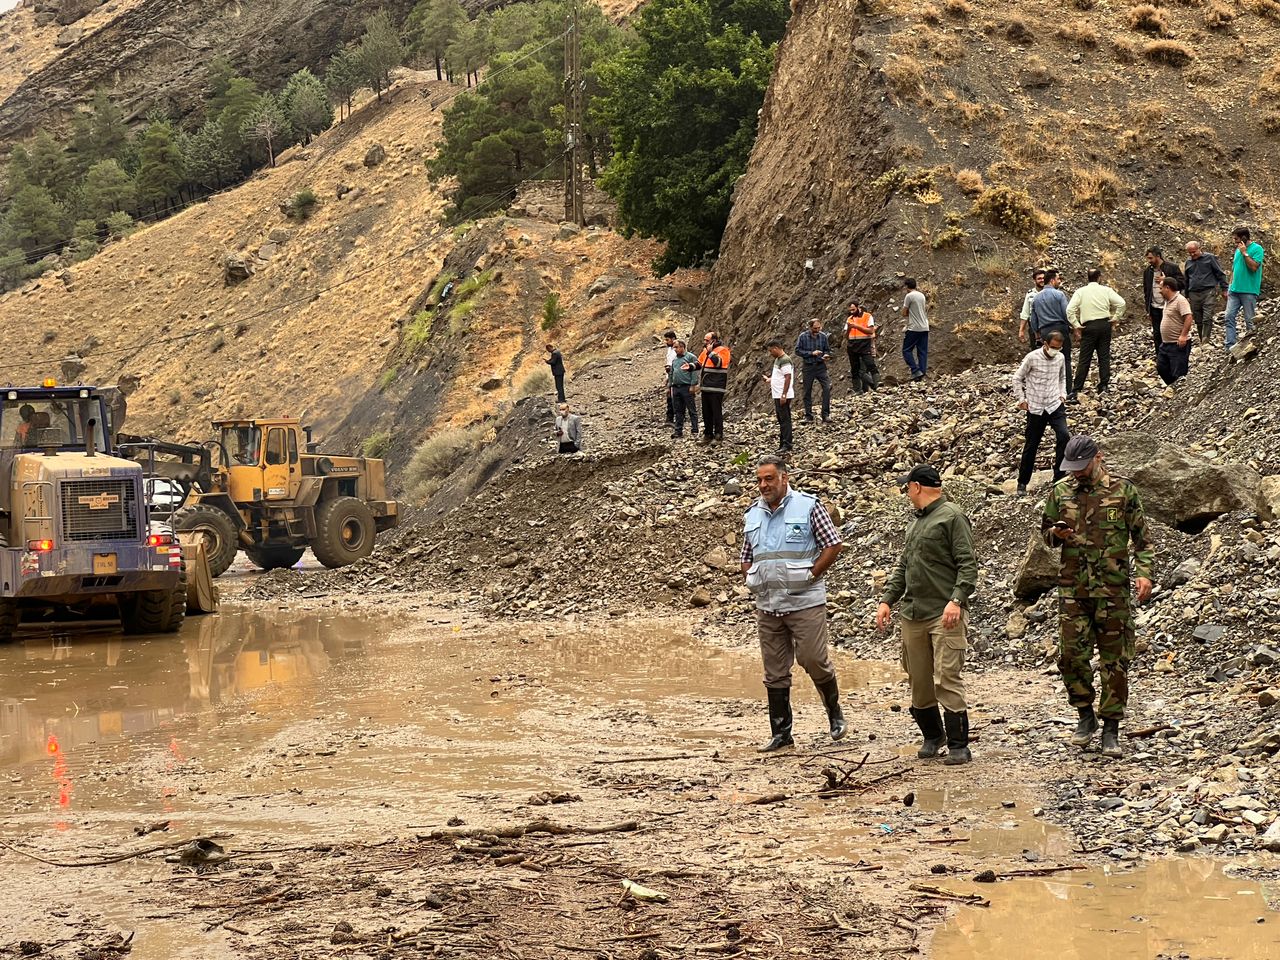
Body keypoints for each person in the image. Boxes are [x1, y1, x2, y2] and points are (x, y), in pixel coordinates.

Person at [1042, 435, 1153, 758]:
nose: (1076, 473)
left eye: (1081, 467)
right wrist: (1056, 534)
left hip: (1113, 591)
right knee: (1070, 657)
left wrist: (1144, 572)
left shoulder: (1123, 490)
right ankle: (1084, 715)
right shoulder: (1060, 492)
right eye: (1071, 468)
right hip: (1073, 591)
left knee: (1115, 662)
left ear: (1098, 458)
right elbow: (1046, 535)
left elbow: (1142, 539)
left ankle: (1111, 728)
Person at [740, 455, 846, 752]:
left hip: (805, 601)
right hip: (767, 604)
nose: (763, 485)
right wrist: (751, 578)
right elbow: (746, 555)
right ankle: (781, 733)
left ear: (784, 478)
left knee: (813, 660)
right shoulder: (752, 514)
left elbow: (833, 544)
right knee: (774, 670)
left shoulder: (808, 506)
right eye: (759, 480)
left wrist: (811, 575)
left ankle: (834, 714)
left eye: (769, 478)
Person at [875, 464, 978, 765]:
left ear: (917, 486)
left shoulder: (953, 517)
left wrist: (957, 600)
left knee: (946, 677)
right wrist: (887, 600)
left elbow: (968, 565)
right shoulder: (915, 524)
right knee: (918, 681)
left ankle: (959, 745)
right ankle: (933, 736)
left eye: (907, 487)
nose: (906, 493)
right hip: (914, 613)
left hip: (943, 613)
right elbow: (903, 567)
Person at [1012, 329, 1069, 495]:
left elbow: (1062, 378)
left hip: (1054, 404)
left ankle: (1059, 477)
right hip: (1036, 408)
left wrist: (1062, 394)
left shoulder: (1060, 357)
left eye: (1058, 348)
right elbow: (1017, 378)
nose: (1055, 351)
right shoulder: (1032, 357)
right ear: (1045, 344)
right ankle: (1022, 483)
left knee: (1064, 436)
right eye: (1052, 347)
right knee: (1031, 445)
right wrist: (1021, 400)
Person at [1067, 268, 1125, 395]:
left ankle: (1077, 389)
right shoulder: (1106, 290)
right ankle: (1103, 385)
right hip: (1104, 325)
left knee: (1084, 358)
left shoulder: (1080, 292)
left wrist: (1076, 325)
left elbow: (1070, 310)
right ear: (1099, 277)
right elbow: (1121, 303)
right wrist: (1115, 318)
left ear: (1087, 277)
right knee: (1103, 356)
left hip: (1088, 326)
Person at [1029, 269, 1074, 398]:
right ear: (1053, 280)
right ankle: (1067, 390)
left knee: (1048, 360)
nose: (1059, 282)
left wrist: (1037, 334)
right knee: (1065, 359)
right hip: (1060, 328)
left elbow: (1033, 320)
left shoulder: (1036, 298)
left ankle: (1050, 391)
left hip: (1045, 332)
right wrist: (1072, 327)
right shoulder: (1059, 295)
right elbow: (1066, 314)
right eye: (1058, 279)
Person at [1224, 226, 1266, 350]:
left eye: (1236, 239)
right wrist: (1230, 286)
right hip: (1234, 290)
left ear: (1243, 237)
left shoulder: (1257, 249)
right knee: (1228, 317)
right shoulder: (1237, 250)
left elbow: (1254, 267)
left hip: (1248, 290)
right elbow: (1234, 269)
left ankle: (1251, 344)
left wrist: (1245, 253)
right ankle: (1230, 346)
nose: (1234, 241)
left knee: (1249, 319)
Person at [1183, 242, 1228, 344]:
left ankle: (1206, 338)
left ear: (1200, 249)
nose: (1192, 255)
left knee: (1207, 316)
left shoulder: (1210, 258)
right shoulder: (1188, 262)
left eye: (1194, 252)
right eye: (1190, 253)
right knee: (1198, 318)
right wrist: (1186, 295)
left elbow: (1220, 273)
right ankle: (1201, 338)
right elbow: (1186, 280)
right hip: (1193, 293)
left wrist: (1224, 288)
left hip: (1208, 291)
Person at [1142, 247, 1183, 357]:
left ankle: (1174, 356)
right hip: (1154, 307)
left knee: (1171, 332)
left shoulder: (1172, 267)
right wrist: (1148, 309)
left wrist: (1166, 280)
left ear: (1158, 256)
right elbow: (1146, 290)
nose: (1149, 261)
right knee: (1157, 334)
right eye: (1148, 258)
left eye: (1151, 258)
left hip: (1169, 306)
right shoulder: (1147, 271)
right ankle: (1161, 358)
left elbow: (1182, 284)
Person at [695, 331, 731, 443]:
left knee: (716, 411)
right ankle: (708, 434)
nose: (704, 342)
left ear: (713, 341)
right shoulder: (705, 351)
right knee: (706, 412)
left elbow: (719, 363)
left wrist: (710, 353)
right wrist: (690, 367)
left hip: (716, 386)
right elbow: (699, 363)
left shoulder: (723, 350)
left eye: (707, 340)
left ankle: (718, 435)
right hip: (706, 386)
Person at [1156, 277, 1193, 385]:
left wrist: (1183, 336)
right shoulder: (1167, 301)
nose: (1160, 291)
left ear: (1167, 288)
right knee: (1161, 367)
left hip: (1177, 344)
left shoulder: (1180, 300)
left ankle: (1179, 393)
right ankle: (1172, 387)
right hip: (1166, 343)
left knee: (1179, 372)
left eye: (1161, 288)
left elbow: (1188, 317)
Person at [795, 318, 832, 423]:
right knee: (807, 391)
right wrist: (811, 353)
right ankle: (808, 416)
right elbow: (797, 351)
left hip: (821, 366)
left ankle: (825, 414)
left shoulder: (823, 336)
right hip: (808, 366)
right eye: (815, 328)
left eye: (819, 327)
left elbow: (827, 350)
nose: (817, 330)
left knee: (827, 388)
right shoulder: (803, 337)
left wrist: (826, 355)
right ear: (810, 327)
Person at [762, 341, 794, 453]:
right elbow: (780, 376)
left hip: (782, 395)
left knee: (785, 419)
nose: (770, 353)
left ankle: (787, 444)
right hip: (778, 394)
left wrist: (784, 394)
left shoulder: (785, 360)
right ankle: (783, 442)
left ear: (776, 348)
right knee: (781, 419)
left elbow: (788, 377)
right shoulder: (778, 360)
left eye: (771, 350)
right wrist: (770, 380)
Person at [844, 301, 879, 394]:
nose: (851, 312)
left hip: (864, 345)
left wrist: (856, 326)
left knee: (869, 365)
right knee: (855, 369)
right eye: (850, 310)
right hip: (852, 346)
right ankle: (859, 390)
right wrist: (849, 328)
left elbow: (870, 331)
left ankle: (877, 385)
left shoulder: (867, 316)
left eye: (853, 309)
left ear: (858, 307)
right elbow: (846, 336)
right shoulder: (849, 319)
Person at [669, 339, 700, 439]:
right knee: (678, 410)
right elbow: (672, 373)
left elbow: (694, 371)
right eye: (674, 348)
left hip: (686, 387)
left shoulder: (690, 357)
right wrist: (670, 386)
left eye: (677, 347)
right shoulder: (674, 360)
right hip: (676, 387)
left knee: (691, 409)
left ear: (682, 347)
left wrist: (693, 385)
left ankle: (695, 429)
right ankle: (678, 430)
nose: (675, 350)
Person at [900, 278, 929, 381]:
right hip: (925, 326)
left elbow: (904, 313)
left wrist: (907, 312)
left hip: (914, 328)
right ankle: (921, 374)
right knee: (922, 352)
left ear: (907, 286)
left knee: (906, 350)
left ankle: (915, 370)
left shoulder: (909, 296)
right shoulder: (921, 295)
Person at [1018, 268, 1047, 345]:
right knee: (1036, 353)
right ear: (1034, 280)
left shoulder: (1052, 293)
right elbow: (1025, 313)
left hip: (1048, 325)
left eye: (1043, 278)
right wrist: (1021, 330)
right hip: (1034, 327)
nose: (1042, 280)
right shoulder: (1030, 294)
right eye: (1039, 278)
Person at [662, 330, 678, 426]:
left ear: (673, 339)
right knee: (669, 396)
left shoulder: (677, 349)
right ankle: (670, 418)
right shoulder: (669, 350)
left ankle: (676, 417)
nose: (666, 342)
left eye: (667, 340)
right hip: (670, 375)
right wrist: (667, 377)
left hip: (676, 376)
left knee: (675, 397)